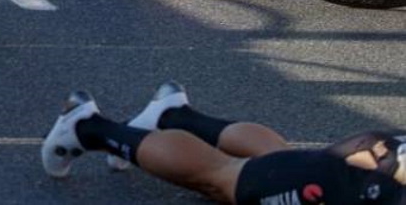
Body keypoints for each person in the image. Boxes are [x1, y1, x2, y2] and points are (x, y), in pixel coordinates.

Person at [42, 80, 406, 203]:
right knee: (223, 177)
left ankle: (175, 116)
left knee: (282, 164)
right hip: (365, 185)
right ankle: (89, 127)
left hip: (379, 153)